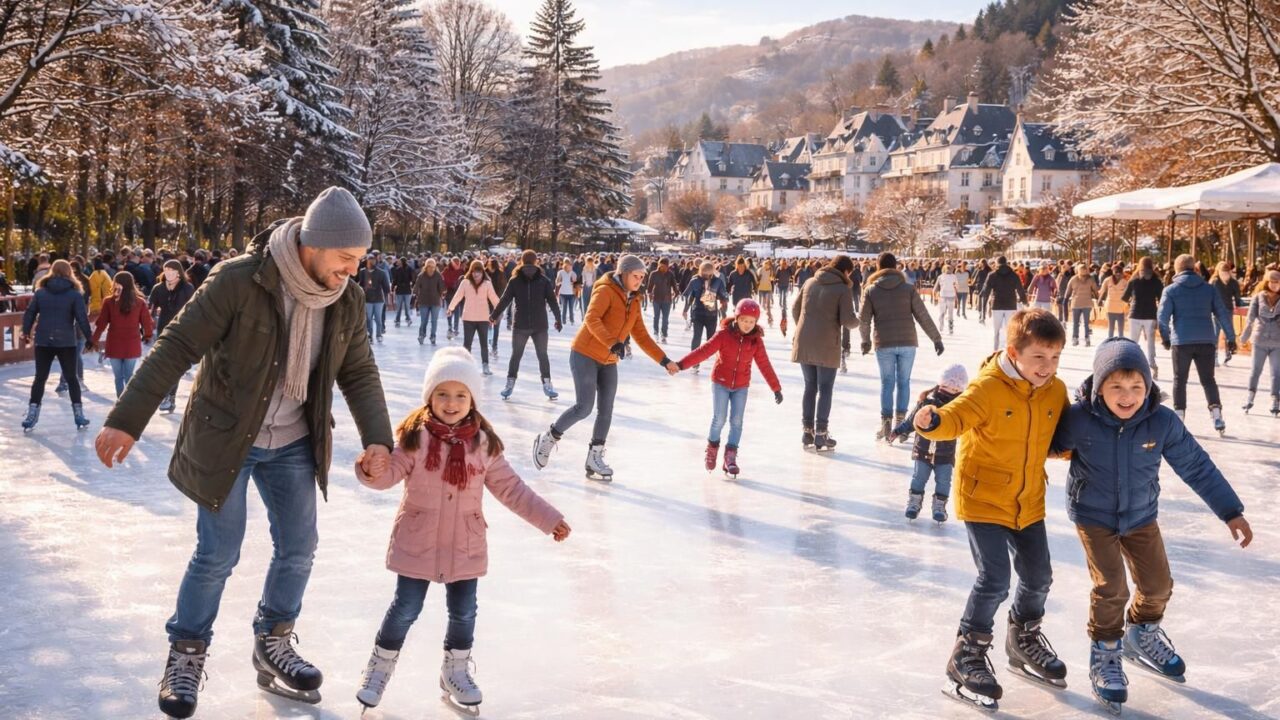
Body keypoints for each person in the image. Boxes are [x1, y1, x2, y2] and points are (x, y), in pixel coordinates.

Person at [93, 187, 394, 718]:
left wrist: (378, 440)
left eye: (358, 260)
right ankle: (186, 654)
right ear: (314, 245)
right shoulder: (240, 279)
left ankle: (274, 638)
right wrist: (126, 418)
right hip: (227, 436)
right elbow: (178, 344)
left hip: (295, 439)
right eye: (346, 258)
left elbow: (359, 371)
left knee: (300, 546)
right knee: (217, 553)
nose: (353, 270)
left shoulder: (342, 299)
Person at [352, 347, 570, 715]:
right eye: (442, 394)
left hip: (465, 545)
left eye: (460, 395)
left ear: (472, 400)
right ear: (429, 397)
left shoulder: (483, 445)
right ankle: (379, 668)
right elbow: (386, 475)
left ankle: (454, 671)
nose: (450, 403)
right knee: (405, 608)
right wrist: (369, 469)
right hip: (417, 542)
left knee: (464, 612)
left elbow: (512, 490)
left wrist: (549, 518)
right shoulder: (414, 438)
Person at [1050, 338, 1251, 714]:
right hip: (1093, 515)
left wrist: (1230, 511)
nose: (1127, 396)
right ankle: (1106, 651)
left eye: (1136, 387)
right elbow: (1038, 444)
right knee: (1111, 587)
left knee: (1158, 585)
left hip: (1141, 515)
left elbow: (1196, 466)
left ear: (1148, 385)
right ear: (1098, 387)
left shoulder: (1162, 421)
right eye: (1116, 387)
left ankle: (1141, 634)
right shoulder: (1078, 418)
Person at [914, 309, 1070, 711]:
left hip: (1028, 499)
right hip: (983, 499)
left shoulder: (1056, 391)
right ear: (1013, 352)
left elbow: (1062, 434)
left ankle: (1023, 638)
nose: (1047, 367)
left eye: (1054, 358)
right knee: (995, 578)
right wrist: (932, 422)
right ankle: (966, 654)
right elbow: (956, 416)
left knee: (1039, 576)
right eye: (1038, 357)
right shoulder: (988, 388)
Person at [532, 255, 680, 481]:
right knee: (584, 407)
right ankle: (548, 438)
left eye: (642, 277)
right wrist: (613, 342)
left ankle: (595, 456)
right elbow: (592, 320)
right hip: (585, 354)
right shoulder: (605, 290)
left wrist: (664, 360)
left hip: (609, 360)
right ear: (623, 273)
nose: (639, 280)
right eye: (635, 276)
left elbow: (640, 334)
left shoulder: (635, 299)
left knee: (606, 410)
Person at [676, 298, 783, 478]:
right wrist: (681, 365)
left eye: (751, 321)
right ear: (736, 318)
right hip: (721, 382)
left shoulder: (755, 341)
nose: (748, 325)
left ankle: (730, 458)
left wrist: (776, 387)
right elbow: (704, 351)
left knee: (737, 421)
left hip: (741, 386)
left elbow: (764, 364)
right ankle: (712, 449)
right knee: (719, 418)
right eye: (744, 320)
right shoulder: (724, 335)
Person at [859, 252, 945, 442]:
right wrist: (936, 338)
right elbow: (922, 315)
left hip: (884, 342)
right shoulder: (907, 288)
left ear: (878, 267)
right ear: (896, 267)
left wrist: (865, 341)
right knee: (904, 382)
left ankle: (886, 424)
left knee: (887, 383)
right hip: (907, 342)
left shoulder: (871, 289)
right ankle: (901, 425)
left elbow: (864, 320)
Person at [1158, 254, 1236, 433]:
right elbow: (1222, 314)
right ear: (1195, 269)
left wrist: (1166, 338)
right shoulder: (1208, 289)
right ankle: (1217, 416)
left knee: (1180, 380)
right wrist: (1231, 338)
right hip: (1206, 340)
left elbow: (1162, 318)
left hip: (1182, 341)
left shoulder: (1170, 290)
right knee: (1208, 380)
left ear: (1176, 270)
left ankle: (1179, 417)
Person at [791, 255, 860, 452]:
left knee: (810, 386)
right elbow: (848, 320)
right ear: (846, 271)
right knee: (826, 387)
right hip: (827, 343)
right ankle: (821, 432)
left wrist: (805, 329)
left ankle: (807, 431)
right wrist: (860, 320)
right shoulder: (842, 288)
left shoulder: (810, 281)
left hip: (804, 341)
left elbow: (795, 309)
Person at [20, 259, 94, 431]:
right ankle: (79, 414)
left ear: (51, 272)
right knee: (71, 378)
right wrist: (89, 338)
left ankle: (32, 413)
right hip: (66, 341)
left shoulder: (40, 292)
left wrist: (25, 332)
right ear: (70, 272)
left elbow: (30, 313)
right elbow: (82, 318)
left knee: (40, 378)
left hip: (43, 340)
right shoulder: (75, 294)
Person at [889, 364, 968, 523]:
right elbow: (913, 420)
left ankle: (939, 506)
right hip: (923, 449)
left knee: (944, 480)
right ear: (941, 383)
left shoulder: (959, 406)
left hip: (945, 453)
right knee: (919, 477)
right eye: (948, 387)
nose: (951, 391)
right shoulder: (928, 401)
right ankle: (914, 503)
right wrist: (898, 431)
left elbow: (966, 425)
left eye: (955, 389)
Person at [491, 250, 563, 400]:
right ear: (536, 261)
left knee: (516, 356)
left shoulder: (515, 280)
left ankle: (509, 385)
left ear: (522, 261)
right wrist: (558, 318)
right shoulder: (543, 280)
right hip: (540, 325)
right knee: (542, 356)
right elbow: (552, 301)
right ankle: (548, 384)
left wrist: (494, 315)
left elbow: (505, 300)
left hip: (521, 325)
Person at [92, 271, 154, 398]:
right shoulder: (139, 302)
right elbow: (147, 323)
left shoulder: (109, 302)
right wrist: (148, 335)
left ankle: (120, 401)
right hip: (132, 343)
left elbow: (101, 324)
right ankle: (128, 402)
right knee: (129, 376)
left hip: (114, 343)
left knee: (118, 377)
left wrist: (94, 340)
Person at [148, 260, 195, 412]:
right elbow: (150, 307)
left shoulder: (187, 288)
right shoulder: (158, 288)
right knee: (162, 365)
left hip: (181, 330)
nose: (168, 272)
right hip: (163, 329)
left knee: (174, 366)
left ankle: (170, 396)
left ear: (178, 272)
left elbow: (193, 309)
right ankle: (167, 395)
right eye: (166, 269)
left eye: (172, 270)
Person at [447, 260, 501, 375]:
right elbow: (458, 296)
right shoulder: (465, 283)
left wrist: (498, 312)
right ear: (470, 271)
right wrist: (451, 308)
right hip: (468, 318)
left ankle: (485, 365)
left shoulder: (487, 283)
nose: (475, 274)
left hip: (483, 318)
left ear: (482, 272)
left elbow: (494, 299)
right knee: (467, 343)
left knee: (484, 344)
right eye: (473, 271)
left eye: (478, 271)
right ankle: (465, 365)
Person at [1241, 269, 1280, 415]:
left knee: (1276, 372)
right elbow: (1250, 319)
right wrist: (1244, 337)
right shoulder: (1258, 297)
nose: (1275, 285)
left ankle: (1275, 399)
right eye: (1272, 282)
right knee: (1255, 370)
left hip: (1278, 342)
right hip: (1260, 340)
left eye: (1278, 282)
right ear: (1267, 282)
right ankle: (1250, 397)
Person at [1122, 257, 1163, 379]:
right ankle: (1152, 365)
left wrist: (1133, 300)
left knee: (1133, 342)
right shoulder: (1156, 281)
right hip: (1150, 315)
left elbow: (1125, 297)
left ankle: (1131, 365)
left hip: (1135, 314)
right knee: (1150, 343)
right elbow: (1162, 298)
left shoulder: (1133, 280)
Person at [681, 261, 729, 362]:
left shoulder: (718, 282)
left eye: (708, 274)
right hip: (698, 313)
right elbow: (690, 296)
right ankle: (694, 360)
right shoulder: (695, 280)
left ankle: (709, 358)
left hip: (711, 315)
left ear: (712, 272)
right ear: (700, 271)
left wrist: (723, 303)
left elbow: (723, 295)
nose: (706, 276)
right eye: (704, 273)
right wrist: (685, 310)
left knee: (711, 340)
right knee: (697, 336)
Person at [979, 256, 1027, 351]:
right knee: (1010, 330)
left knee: (996, 331)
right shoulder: (1013, 275)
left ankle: (995, 350)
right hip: (1011, 304)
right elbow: (1020, 289)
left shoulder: (992, 275)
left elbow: (986, 290)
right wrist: (1024, 300)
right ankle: (1008, 350)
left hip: (997, 304)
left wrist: (983, 305)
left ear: (997, 263)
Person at [1210, 261, 1243, 365]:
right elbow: (1209, 296)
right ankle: (1214, 356)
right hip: (1215, 312)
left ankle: (1228, 354)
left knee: (1228, 333)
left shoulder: (1233, 283)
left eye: (1226, 273)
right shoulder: (1214, 282)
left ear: (1229, 272)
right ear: (1218, 272)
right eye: (1222, 273)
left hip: (1228, 310)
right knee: (1215, 334)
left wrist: (1238, 304)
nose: (1224, 276)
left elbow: (1237, 297)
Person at [411, 258, 446, 345]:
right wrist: (414, 293)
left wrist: (443, 291)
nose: (431, 268)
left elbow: (442, 288)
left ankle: (433, 336)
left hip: (435, 301)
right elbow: (416, 286)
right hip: (423, 301)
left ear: (435, 267)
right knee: (424, 320)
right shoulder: (421, 275)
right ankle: (422, 335)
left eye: (433, 266)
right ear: (426, 267)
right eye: (429, 266)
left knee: (434, 320)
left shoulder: (438, 275)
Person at [358, 255, 391, 343]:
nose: (371, 262)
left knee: (378, 318)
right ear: (367, 261)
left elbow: (386, 288)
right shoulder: (362, 272)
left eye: (373, 260)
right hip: (367, 298)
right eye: (369, 260)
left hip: (378, 299)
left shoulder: (381, 272)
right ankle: (369, 335)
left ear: (375, 261)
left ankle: (379, 334)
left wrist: (386, 294)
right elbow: (359, 284)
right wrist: (362, 289)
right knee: (368, 318)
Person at [1067, 263, 1101, 347]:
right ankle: (1082, 338)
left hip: (1080, 303)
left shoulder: (1084, 279)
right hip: (1082, 303)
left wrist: (1065, 299)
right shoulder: (1086, 279)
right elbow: (1095, 290)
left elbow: (1068, 291)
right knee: (1083, 323)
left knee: (1078, 323)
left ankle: (1078, 338)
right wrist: (1098, 298)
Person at [646, 257, 679, 343]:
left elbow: (674, 285)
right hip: (656, 298)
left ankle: (664, 334)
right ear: (659, 265)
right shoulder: (654, 274)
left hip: (667, 299)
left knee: (665, 318)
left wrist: (676, 293)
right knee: (656, 317)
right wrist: (649, 294)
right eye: (662, 265)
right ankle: (656, 332)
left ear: (668, 266)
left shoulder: (670, 274)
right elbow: (650, 286)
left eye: (666, 266)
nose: (664, 267)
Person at [1098, 264, 1130, 338]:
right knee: (1111, 328)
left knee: (1120, 330)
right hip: (1110, 307)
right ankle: (1110, 343)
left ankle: (1120, 343)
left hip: (1121, 308)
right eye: (1116, 272)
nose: (1118, 274)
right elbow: (1102, 291)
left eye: (1119, 272)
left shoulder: (1124, 282)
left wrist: (1129, 302)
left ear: (1122, 273)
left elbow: (1128, 293)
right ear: (1113, 272)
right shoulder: (1107, 280)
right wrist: (1099, 300)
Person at [935, 263, 962, 335]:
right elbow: (957, 287)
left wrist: (935, 295)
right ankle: (950, 328)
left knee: (942, 312)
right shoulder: (953, 276)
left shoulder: (940, 276)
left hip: (944, 296)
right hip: (949, 296)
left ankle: (942, 325)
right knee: (950, 313)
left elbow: (935, 288)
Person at [391, 257, 415, 328]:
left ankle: (407, 318)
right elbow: (395, 280)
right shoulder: (398, 270)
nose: (399, 263)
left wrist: (412, 285)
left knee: (407, 306)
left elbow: (413, 279)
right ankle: (398, 320)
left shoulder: (409, 269)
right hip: (400, 290)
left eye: (400, 262)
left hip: (406, 290)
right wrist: (392, 287)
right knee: (399, 306)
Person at [555, 259, 578, 324]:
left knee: (571, 309)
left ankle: (572, 321)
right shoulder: (560, 272)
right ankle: (563, 321)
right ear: (565, 265)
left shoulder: (573, 273)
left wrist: (574, 283)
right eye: (568, 265)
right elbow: (557, 282)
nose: (570, 266)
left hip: (572, 294)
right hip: (563, 293)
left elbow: (576, 283)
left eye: (570, 265)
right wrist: (560, 281)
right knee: (564, 308)